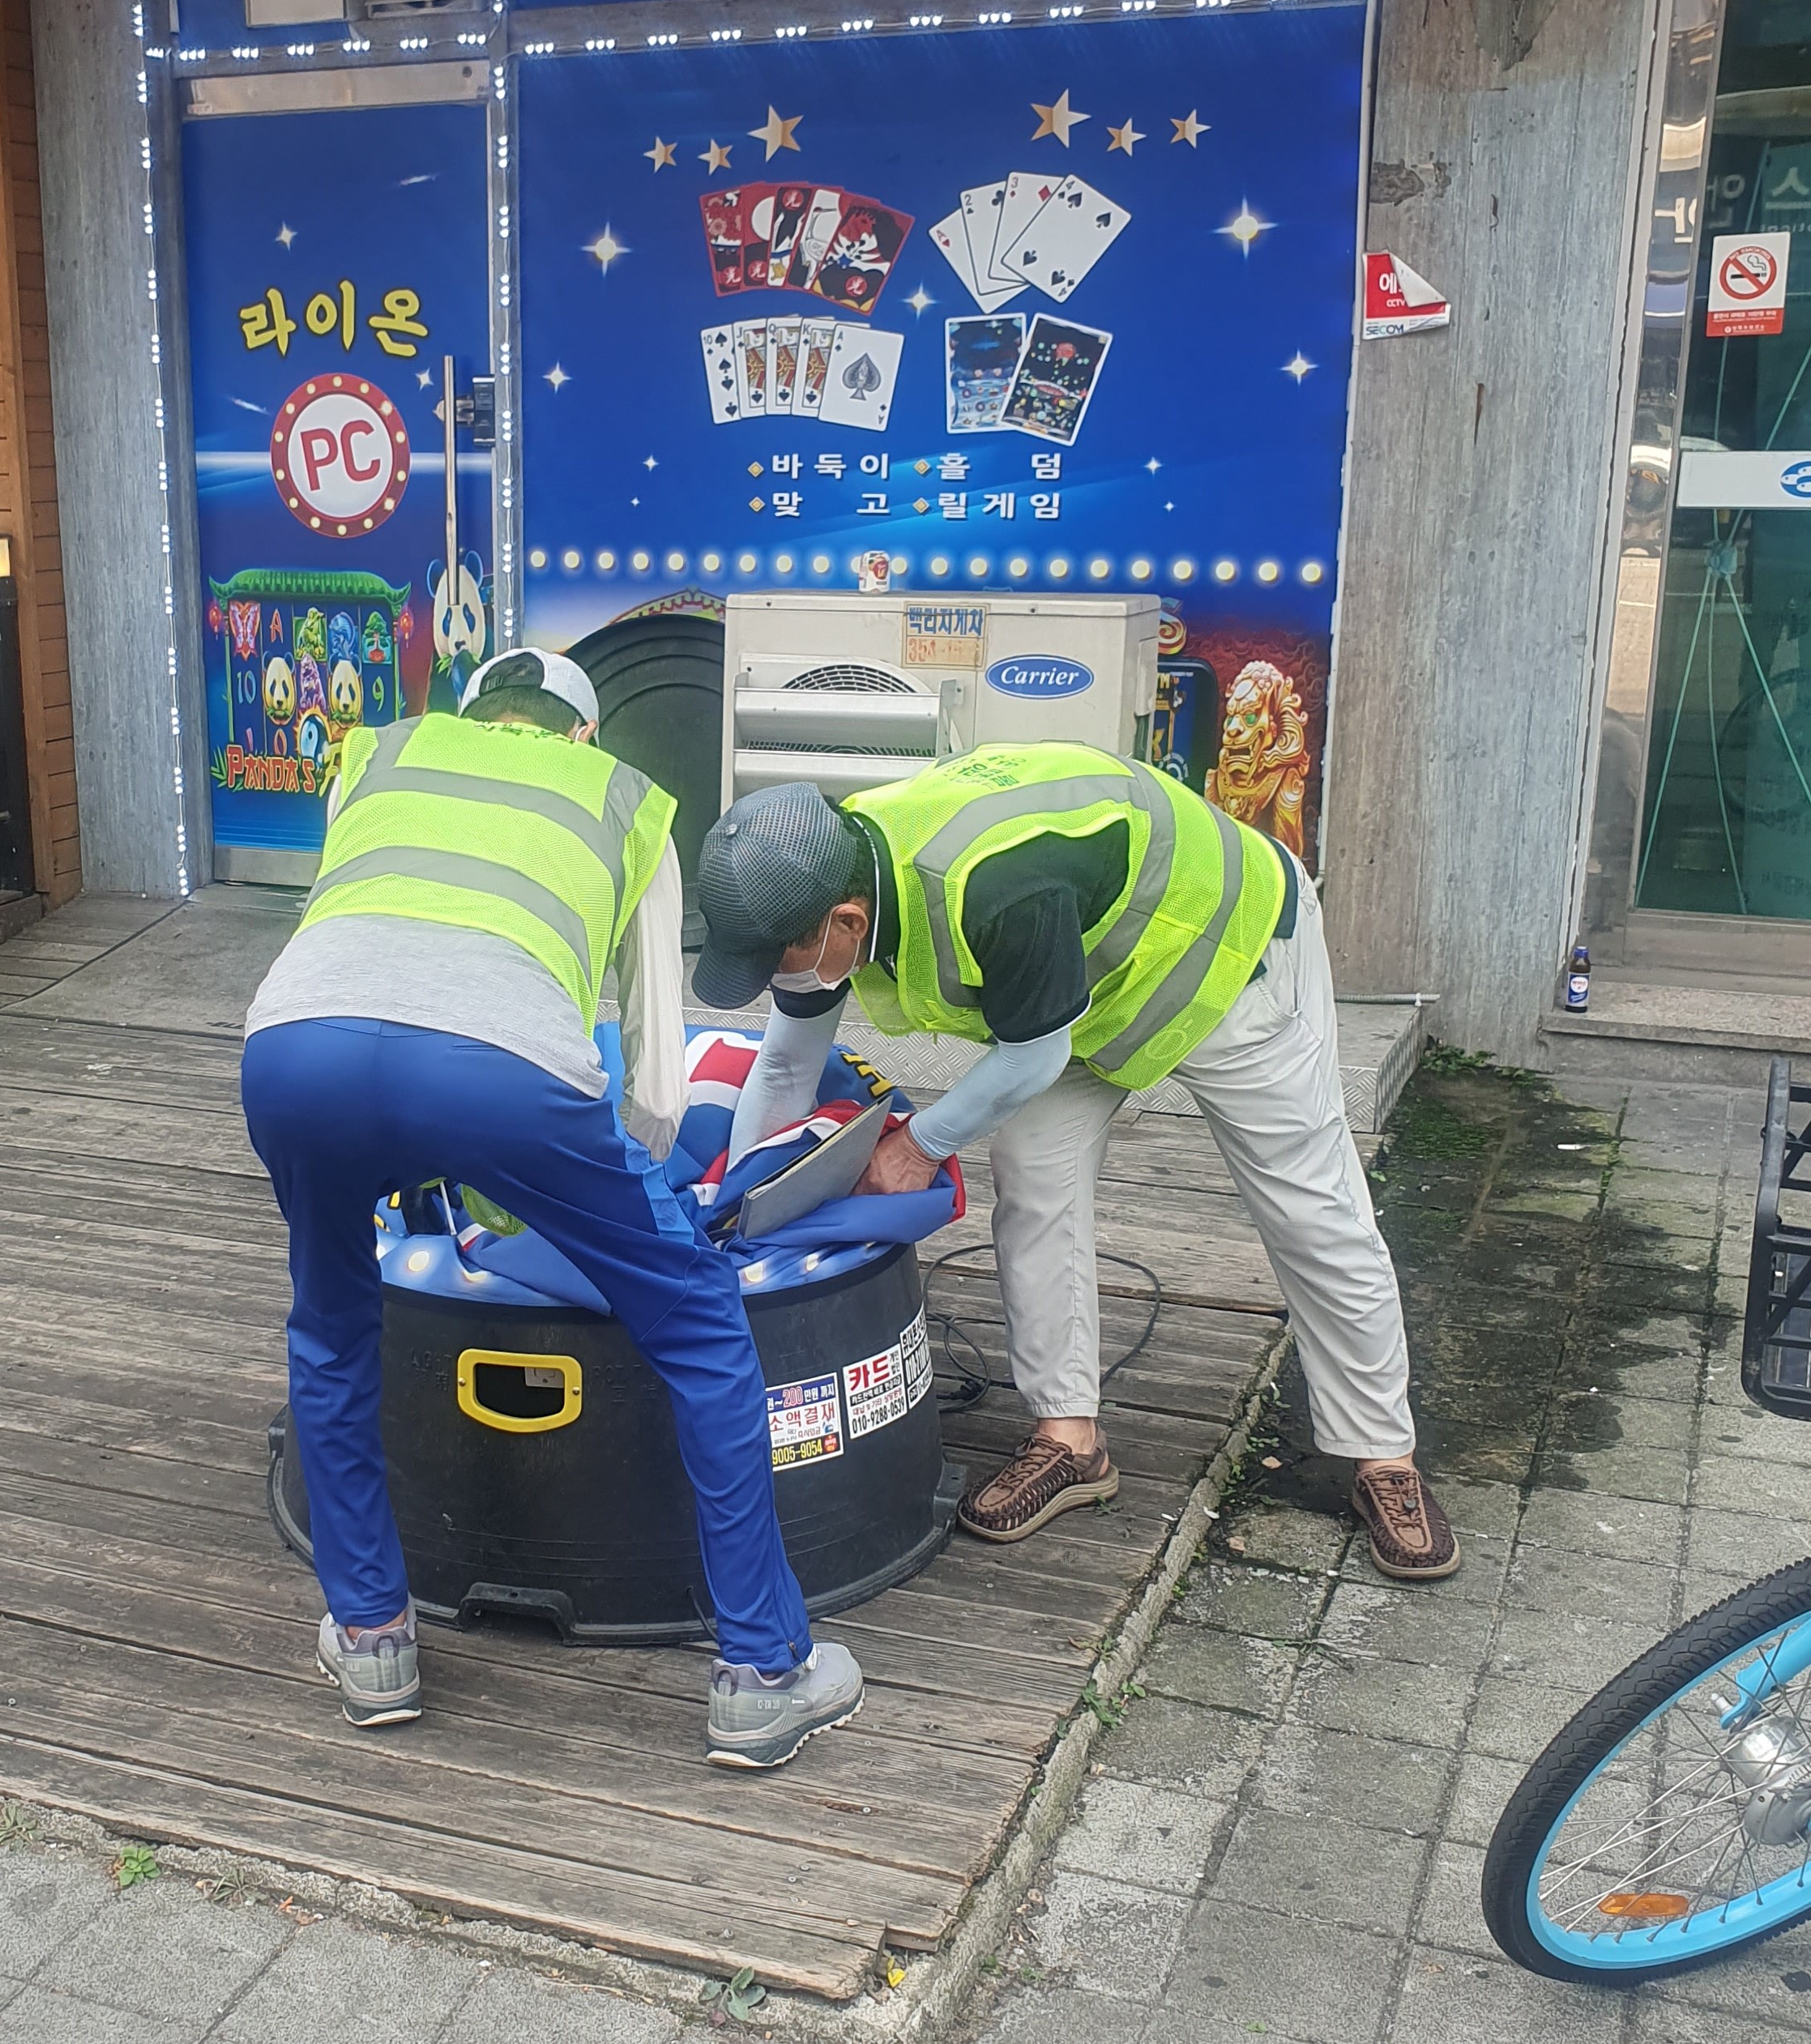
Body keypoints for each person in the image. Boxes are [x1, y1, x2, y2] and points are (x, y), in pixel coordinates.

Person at [240, 649, 865, 1765]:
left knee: (332, 1327)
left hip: (295, 1043)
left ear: (472, 715)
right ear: (580, 736)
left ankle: (374, 1638)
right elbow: (658, 1086)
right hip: (505, 1070)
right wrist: (635, 1201)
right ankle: (765, 1669)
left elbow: (368, 940)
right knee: (699, 1320)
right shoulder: (625, 801)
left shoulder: (377, 754)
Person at [691, 745, 1458, 1581]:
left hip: (1220, 954)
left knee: (1311, 1206)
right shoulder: (827, 870)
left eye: (776, 963)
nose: (773, 981)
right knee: (1031, 1172)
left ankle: (1384, 1454)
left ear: (845, 922)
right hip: (1079, 990)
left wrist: (917, 1146)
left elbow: (1028, 1057)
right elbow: (784, 1067)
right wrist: (740, 1196)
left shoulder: (989, 884)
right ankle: (1072, 1438)